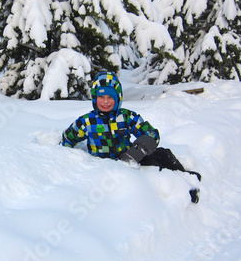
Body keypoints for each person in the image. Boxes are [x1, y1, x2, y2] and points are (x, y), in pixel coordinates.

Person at [60, 71, 201, 203]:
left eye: (110, 97)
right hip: (106, 167)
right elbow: (68, 138)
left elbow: (151, 133)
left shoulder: (127, 117)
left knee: (163, 154)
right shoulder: (87, 121)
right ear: (94, 98)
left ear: (118, 98)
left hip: (131, 158)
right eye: (101, 97)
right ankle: (183, 190)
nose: (105, 101)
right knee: (156, 171)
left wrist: (140, 149)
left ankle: (185, 175)